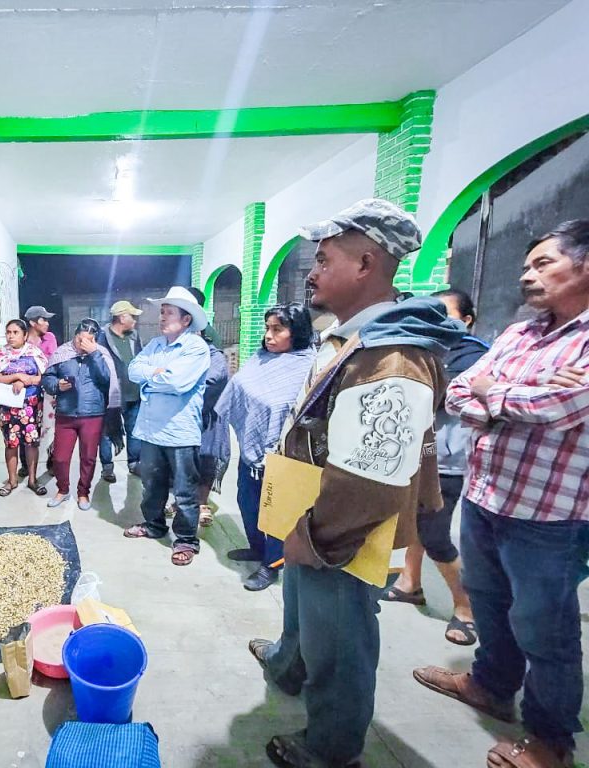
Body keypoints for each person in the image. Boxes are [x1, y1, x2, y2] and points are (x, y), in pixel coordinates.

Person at [247, 199, 462, 768]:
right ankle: (288, 664)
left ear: (366, 264)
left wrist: (316, 538)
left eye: (324, 260)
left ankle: (333, 747)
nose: (312, 272)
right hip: (313, 502)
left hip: (341, 525)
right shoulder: (353, 336)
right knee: (304, 606)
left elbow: (371, 481)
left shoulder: (392, 355)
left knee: (340, 637)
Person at [413, 220, 589, 768]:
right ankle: (491, 687)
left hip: (551, 514)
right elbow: (457, 393)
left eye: (543, 264)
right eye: (526, 266)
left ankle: (550, 739)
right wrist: (509, 394)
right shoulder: (519, 333)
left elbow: (561, 408)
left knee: (544, 627)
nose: (527, 275)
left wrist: (495, 393)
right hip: (487, 495)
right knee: (489, 602)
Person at [381, 287, 486, 644]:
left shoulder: (473, 356)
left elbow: (435, 396)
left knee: (436, 536)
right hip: (417, 455)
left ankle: (466, 608)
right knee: (415, 523)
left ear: (467, 320)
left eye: (446, 314)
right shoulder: (430, 349)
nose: (436, 321)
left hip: (446, 462)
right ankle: (409, 583)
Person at [216, 303, 315, 592]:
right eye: (267, 328)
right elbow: (239, 389)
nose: (269, 336)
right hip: (251, 448)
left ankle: (272, 564)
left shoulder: (307, 365)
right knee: (248, 501)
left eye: (277, 329)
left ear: (296, 332)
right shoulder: (260, 358)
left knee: (276, 511)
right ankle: (257, 548)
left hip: (284, 455)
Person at [122, 286, 211, 566]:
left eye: (168, 312)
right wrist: (158, 373)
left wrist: (151, 379)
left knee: (184, 492)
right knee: (151, 485)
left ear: (186, 319)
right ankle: (154, 525)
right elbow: (133, 370)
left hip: (180, 432)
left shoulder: (195, 347)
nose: (162, 317)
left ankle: (185, 540)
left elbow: (177, 382)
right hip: (150, 430)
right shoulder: (155, 344)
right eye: (162, 311)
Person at [43, 318, 121, 510]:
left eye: (89, 340)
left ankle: (83, 492)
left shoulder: (100, 354)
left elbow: (106, 380)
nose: (83, 344)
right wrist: (57, 385)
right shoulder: (62, 353)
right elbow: (48, 377)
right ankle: (63, 490)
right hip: (66, 413)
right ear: (74, 336)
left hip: (92, 414)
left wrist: (94, 354)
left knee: (88, 457)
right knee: (60, 457)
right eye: (80, 339)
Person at [188, 285, 231, 528]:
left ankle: (202, 503)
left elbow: (214, 378)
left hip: (208, 414)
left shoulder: (209, 340)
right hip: (186, 415)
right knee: (187, 460)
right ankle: (186, 501)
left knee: (206, 457)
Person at [0, 318, 49, 496]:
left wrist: (26, 381)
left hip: (31, 405)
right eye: (8, 332)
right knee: (11, 443)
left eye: (15, 332)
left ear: (25, 335)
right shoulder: (1, 353)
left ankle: (32, 480)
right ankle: (12, 481)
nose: (11, 336)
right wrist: (15, 376)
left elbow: (43, 377)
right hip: (7, 406)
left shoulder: (34, 352)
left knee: (31, 443)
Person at [96, 300, 144, 481]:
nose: (135, 320)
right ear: (122, 317)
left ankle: (134, 463)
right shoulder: (102, 337)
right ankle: (107, 467)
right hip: (112, 395)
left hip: (134, 392)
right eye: (132, 316)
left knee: (134, 430)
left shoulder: (134, 336)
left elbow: (141, 358)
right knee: (107, 432)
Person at [19, 305, 58, 479]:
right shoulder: (22, 340)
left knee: (50, 427)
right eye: (43, 319)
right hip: (27, 391)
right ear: (33, 322)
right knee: (25, 425)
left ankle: (52, 460)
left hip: (47, 389)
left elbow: (53, 361)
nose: (47, 323)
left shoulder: (49, 338)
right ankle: (25, 464)